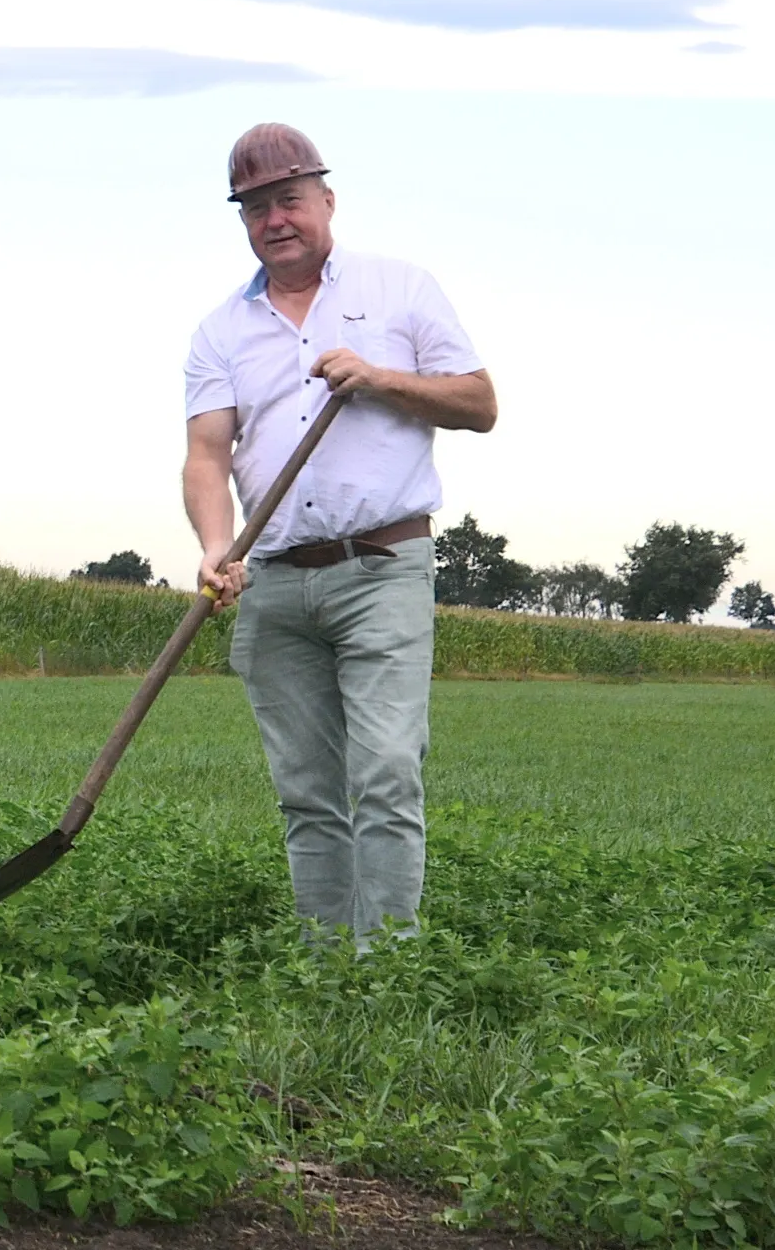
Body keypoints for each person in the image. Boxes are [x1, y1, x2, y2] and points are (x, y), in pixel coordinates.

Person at [181, 124, 496, 947]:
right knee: (306, 788)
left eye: (288, 199)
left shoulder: (400, 288)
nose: (274, 219)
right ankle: (324, 964)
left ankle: (388, 964)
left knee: (387, 771)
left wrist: (380, 377)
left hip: (383, 565)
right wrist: (218, 548)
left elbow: (480, 403)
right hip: (276, 579)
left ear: (326, 199)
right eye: (255, 208)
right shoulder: (221, 331)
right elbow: (207, 457)